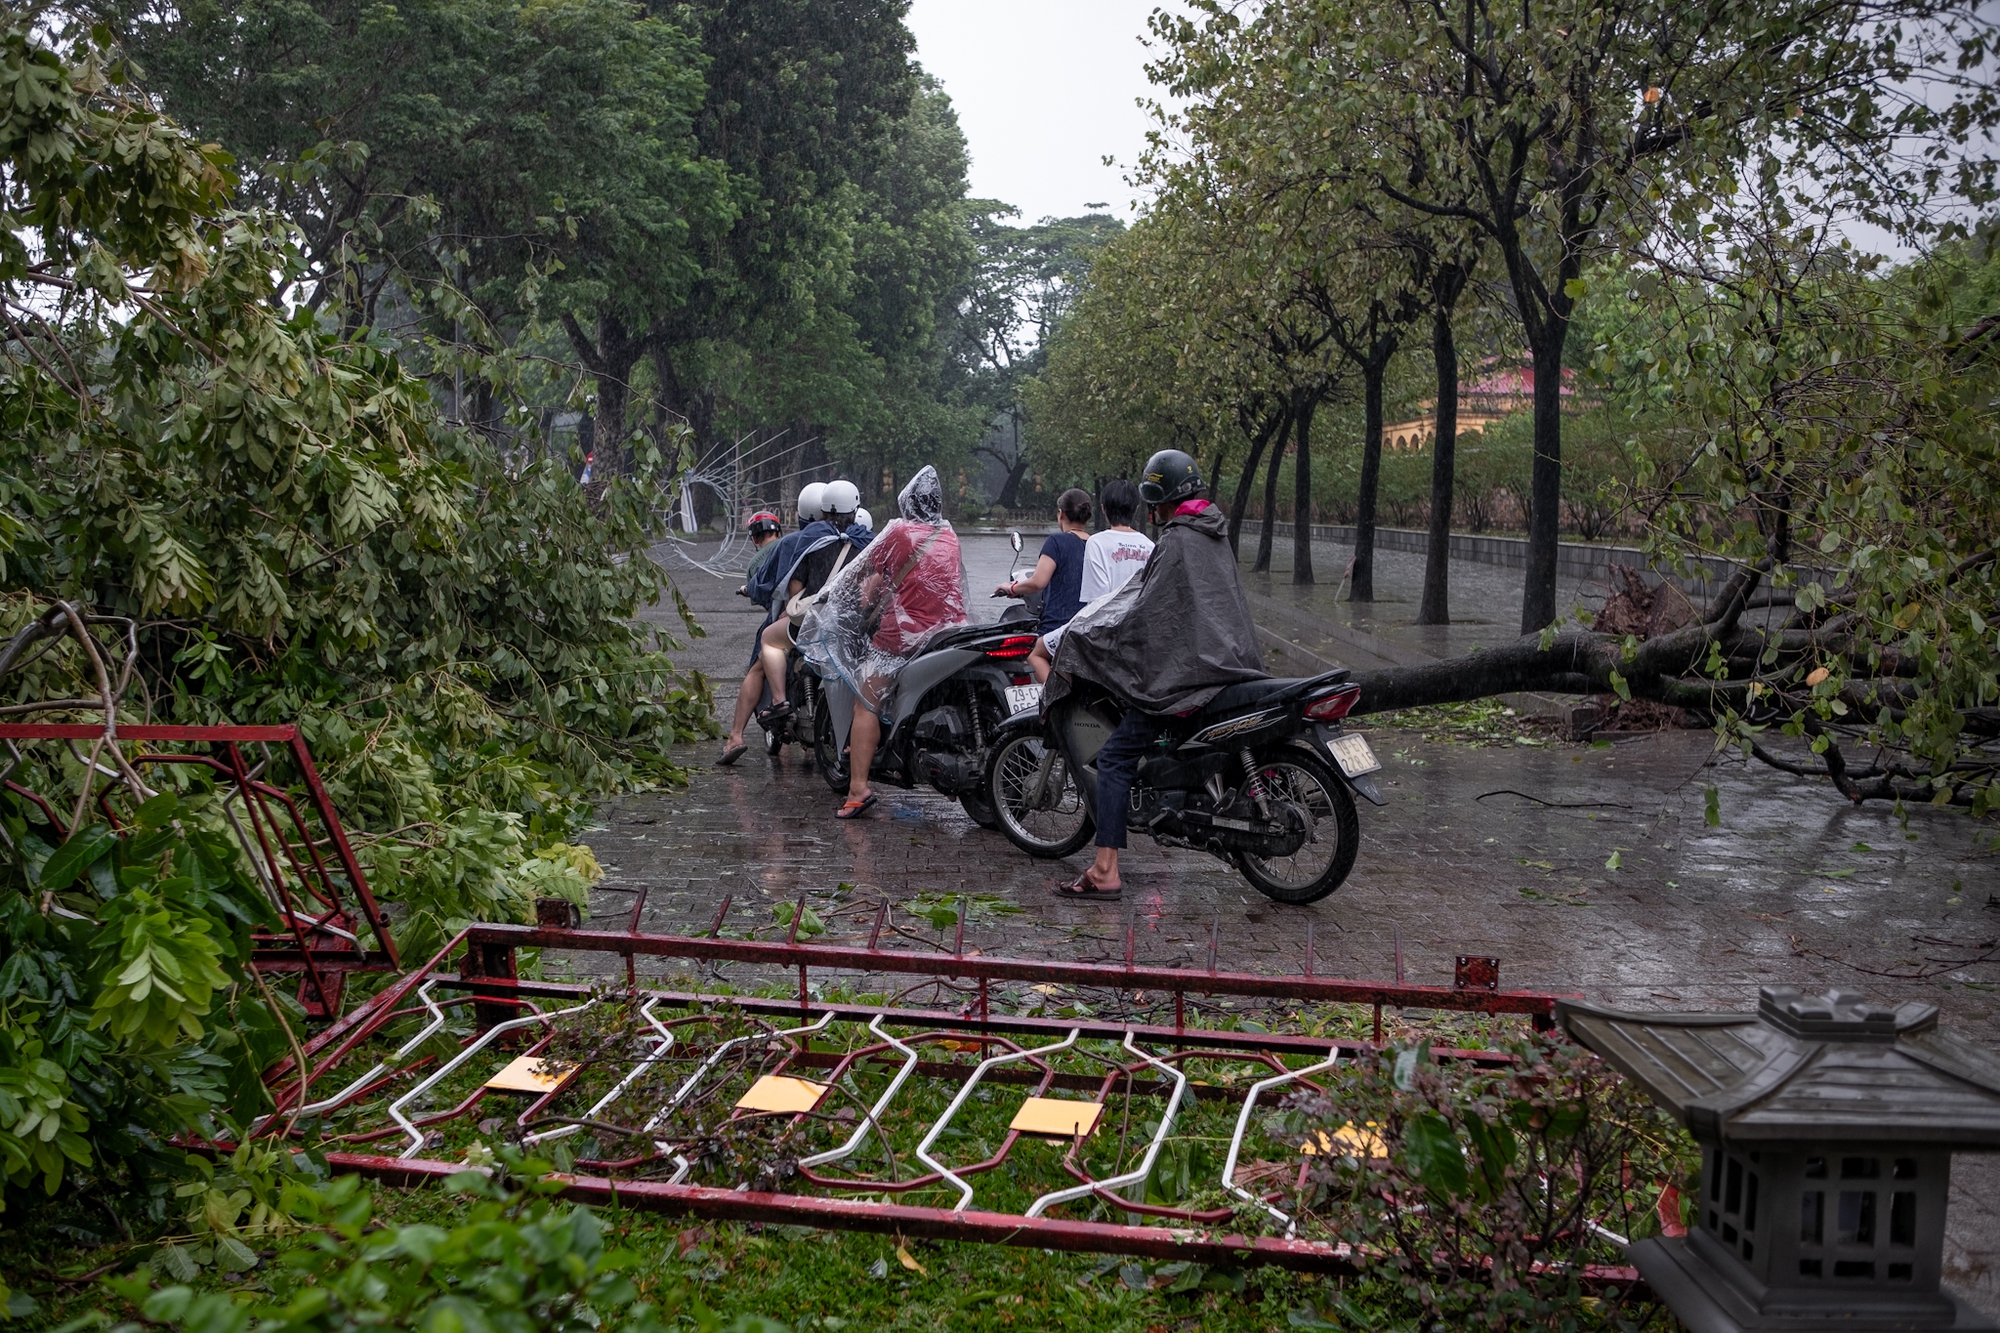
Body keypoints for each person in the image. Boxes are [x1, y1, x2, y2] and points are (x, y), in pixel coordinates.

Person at [1041, 449, 1266, 898]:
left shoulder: (1179, 540)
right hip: (1232, 667)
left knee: (1115, 757)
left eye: (1155, 502)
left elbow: (1146, 615)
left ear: (1160, 501)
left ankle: (1106, 869)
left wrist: (1094, 642)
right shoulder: (1215, 534)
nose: (1153, 511)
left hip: (1189, 679)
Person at [798, 466, 967, 818]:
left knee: (865, 702)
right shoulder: (949, 535)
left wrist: (828, 596)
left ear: (908, 502)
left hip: (901, 639)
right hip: (949, 633)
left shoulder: (899, 532)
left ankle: (858, 788)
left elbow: (858, 575)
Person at [719, 484, 837, 765]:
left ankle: (737, 734)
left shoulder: (793, 543)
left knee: (759, 662)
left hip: (802, 623)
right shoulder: (852, 537)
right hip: (840, 623)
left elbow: (767, 586)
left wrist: (753, 590)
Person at [1027, 479, 1152, 685]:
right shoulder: (1151, 546)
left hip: (1105, 632)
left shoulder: (1098, 542)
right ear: (1136, 509)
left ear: (1103, 509)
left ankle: (1059, 702)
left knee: (1038, 652)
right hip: (1136, 634)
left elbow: (1095, 606)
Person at [993, 489, 1091, 644]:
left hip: (1057, 626)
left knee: (1031, 658)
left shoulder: (1056, 541)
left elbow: (1038, 582)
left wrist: (1011, 588)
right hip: (1087, 628)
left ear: (1061, 514)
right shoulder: (1096, 544)